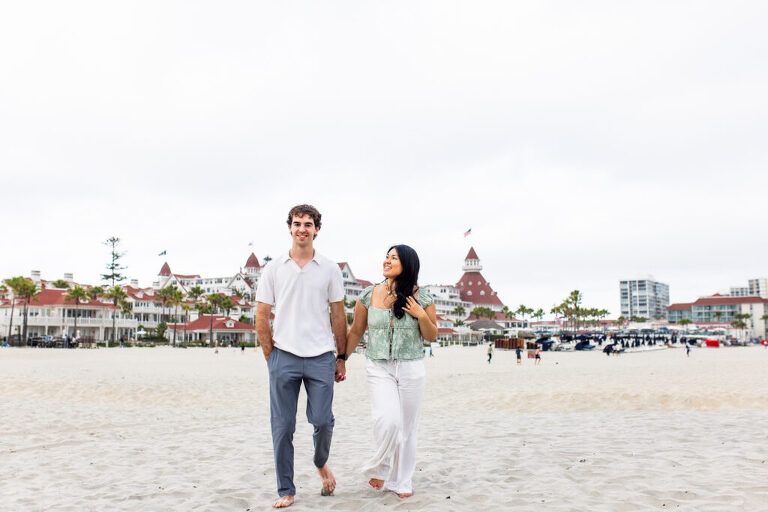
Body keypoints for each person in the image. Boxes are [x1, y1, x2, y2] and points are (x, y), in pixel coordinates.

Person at [255, 204, 347, 509]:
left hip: (321, 355)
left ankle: (321, 463)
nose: (302, 229)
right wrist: (272, 358)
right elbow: (262, 314)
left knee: (323, 420)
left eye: (308, 224)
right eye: (297, 223)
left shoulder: (330, 268)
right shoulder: (273, 268)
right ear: (290, 227)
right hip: (284, 356)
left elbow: (338, 314)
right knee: (282, 427)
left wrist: (342, 356)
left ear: (317, 229)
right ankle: (286, 490)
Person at [340, 245, 437, 499]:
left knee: (408, 427)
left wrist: (420, 315)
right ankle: (381, 467)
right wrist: (342, 359)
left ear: (407, 264)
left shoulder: (421, 297)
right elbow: (356, 332)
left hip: (411, 365)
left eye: (394, 258)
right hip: (378, 365)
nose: (387, 261)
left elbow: (431, 335)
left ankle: (401, 481)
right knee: (387, 420)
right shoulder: (368, 294)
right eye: (386, 256)